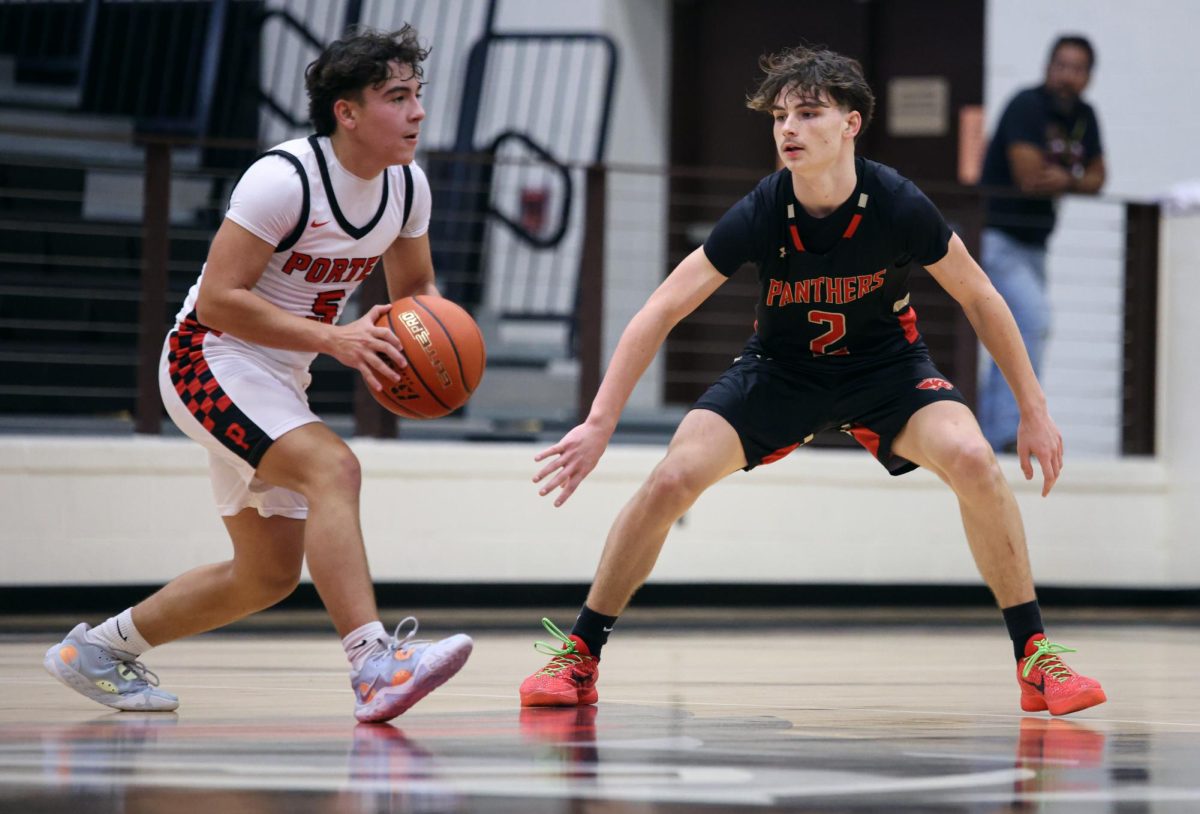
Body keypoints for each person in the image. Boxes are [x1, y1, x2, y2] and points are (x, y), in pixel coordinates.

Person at [519, 45, 1106, 717]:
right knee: (672, 478)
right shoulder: (765, 209)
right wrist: (599, 422)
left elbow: (982, 298)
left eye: (808, 112)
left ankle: (1034, 656)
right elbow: (662, 307)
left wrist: (1033, 407)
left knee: (975, 458)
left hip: (886, 369)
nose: (788, 129)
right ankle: (581, 655)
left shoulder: (895, 202)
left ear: (851, 124)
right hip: (782, 371)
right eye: (779, 116)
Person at [43, 26, 472, 723]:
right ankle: (373, 666)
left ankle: (94, 652)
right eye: (397, 97)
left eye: (419, 95)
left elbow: (415, 291)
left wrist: (425, 350)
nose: (418, 112)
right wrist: (336, 338)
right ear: (348, 111)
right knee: (334, 469)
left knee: (268, 574)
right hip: (207, 356)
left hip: (280, 373)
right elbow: (219, 299)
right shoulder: (284, 178)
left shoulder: (406, 188)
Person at [978, 35, 1105, 452]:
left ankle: (996, 429)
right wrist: (1076, 178)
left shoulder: (1084, 115)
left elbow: (1100, 176)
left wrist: (1068, 180)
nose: (1068, 75)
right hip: (999, 238)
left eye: (1077, 68)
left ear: (1088, 75)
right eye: (1061, 65)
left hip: (1036, 246)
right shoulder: (1027, 105)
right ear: (1048, 66)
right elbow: (1030, 176)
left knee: (1013, 336)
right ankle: (1006, 433)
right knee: (1032, 322)